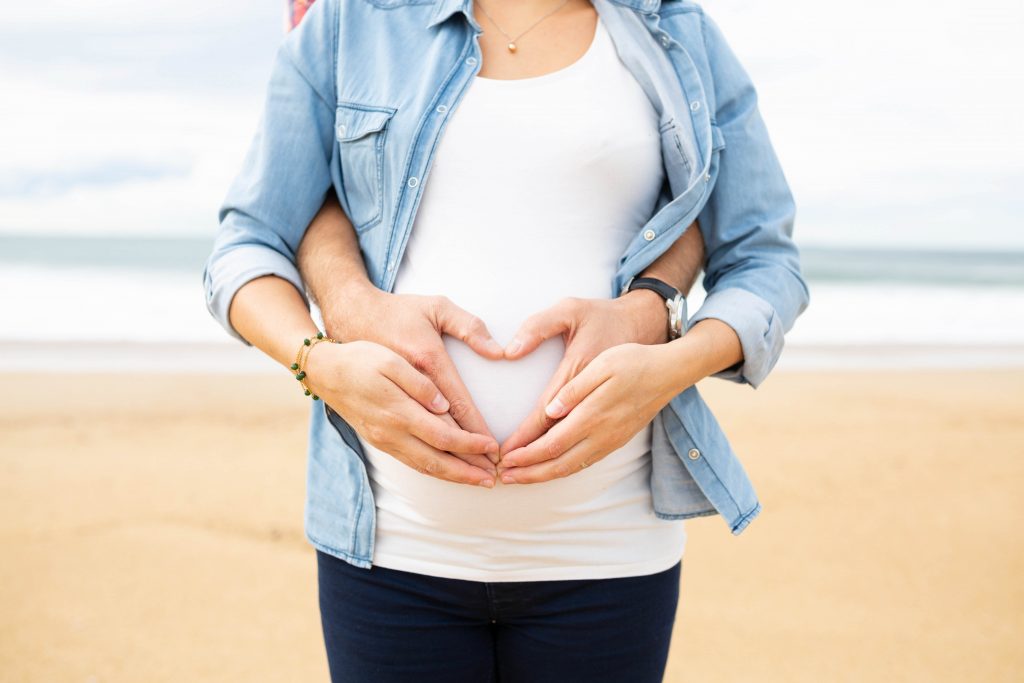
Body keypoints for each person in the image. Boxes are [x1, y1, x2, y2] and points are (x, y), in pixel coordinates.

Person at [202, 0, 809, 679]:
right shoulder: (353, 22)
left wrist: (668, 363)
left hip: (609, 550)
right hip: (391, 554)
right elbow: (248, 245)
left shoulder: (674, 31)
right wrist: (320, 363)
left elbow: (765, 261)